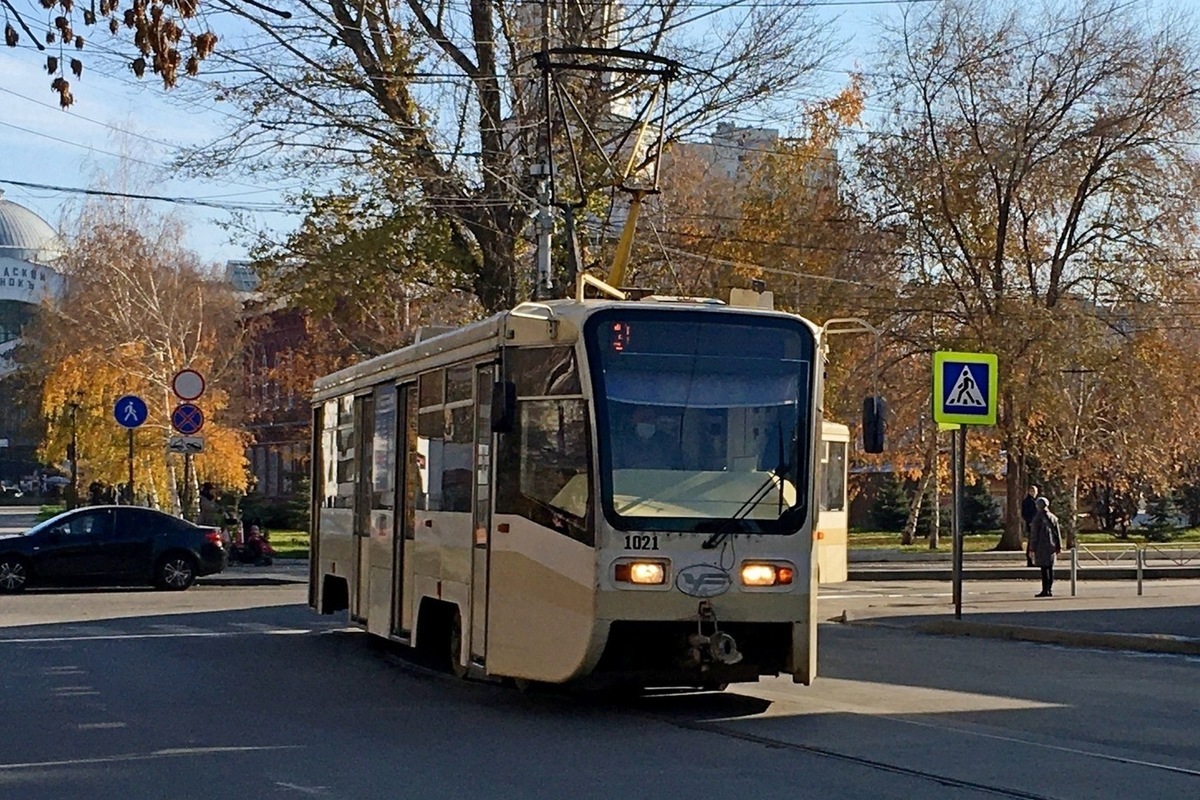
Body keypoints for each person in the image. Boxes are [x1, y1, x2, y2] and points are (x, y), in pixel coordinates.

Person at [614, 406, 682, 469]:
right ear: (632, 419)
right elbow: (615, 469)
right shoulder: (620, 442)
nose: (646, 423)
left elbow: (680, 465)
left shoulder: (667, 441)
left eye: (649, 418)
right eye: (642, 419)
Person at [1028, 496, 1062, 597]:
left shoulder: (1037, 518)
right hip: (1052, 546)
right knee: (1050, 568)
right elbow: (1057, 533)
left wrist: (1032, 547)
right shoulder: (1053, 517)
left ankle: (1044, 590)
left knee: (1044, 569)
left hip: (1041, 546)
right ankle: (1049, 589)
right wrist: (1059, 546)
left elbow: (1034, 534)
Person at [1021, 484, 1040, 567]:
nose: (1034, 493)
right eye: (1033, 491)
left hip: (1037, 524)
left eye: (1035, 491)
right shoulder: (1027, 501)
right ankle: (1030, 560)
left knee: (1035, 543)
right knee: (1031, 543)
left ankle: (1035, 560)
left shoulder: (1036, 501)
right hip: (1031, 525)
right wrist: (1030, 522)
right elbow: (1025, 514)